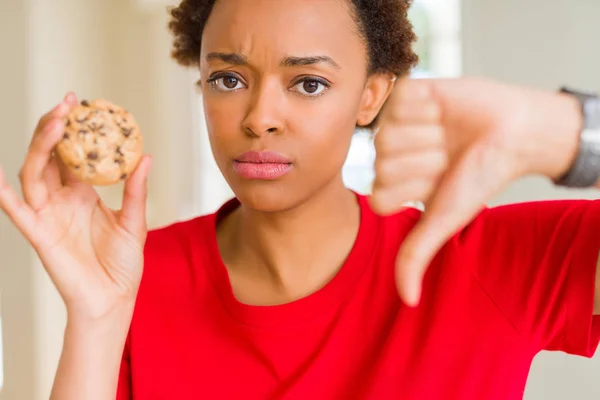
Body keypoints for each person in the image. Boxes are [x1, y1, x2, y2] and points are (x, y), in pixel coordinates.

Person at [0, 0, 598, 399]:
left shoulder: (486, 262)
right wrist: (96, 319)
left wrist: (570, 132)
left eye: (308, 83)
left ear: (371, 96)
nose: (260, 119)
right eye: (228, 79)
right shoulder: (132, 278)